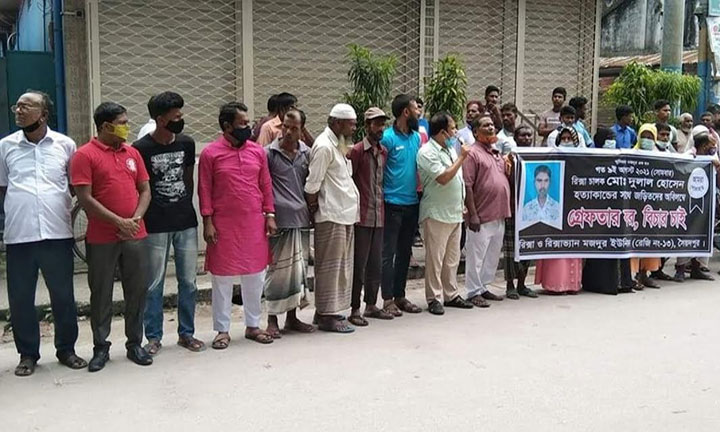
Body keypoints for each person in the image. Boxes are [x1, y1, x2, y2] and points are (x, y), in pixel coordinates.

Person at [1, 91, 86, 376]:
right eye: (17, 106)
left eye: (27, 106)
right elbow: (3, 188)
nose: (19, 110)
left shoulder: (65, 145)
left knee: (63, 296)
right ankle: (28, 354)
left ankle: (66, 349)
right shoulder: (5, 146)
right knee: (21, 299)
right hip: (20, 235)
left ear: (44, 114)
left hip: (56, 233)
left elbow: (74, 185)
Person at [71, 102, 152, 372]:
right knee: (101, 292)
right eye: (123, 123)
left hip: (135, 234)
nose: (127, 127)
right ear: (106, 126)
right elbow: (85, 198)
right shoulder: (85, 155)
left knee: (137, 290)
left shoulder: (132, 153)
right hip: (102, 237)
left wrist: (135, 219)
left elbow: (145, 190)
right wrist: (119, 222)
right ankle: (100, 347)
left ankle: (134, 343)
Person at [198, 102, 277, 349]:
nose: (248, 127)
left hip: (253, 222)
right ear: (227, 126)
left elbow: (265, 184)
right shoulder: (210, 154)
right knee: (222, 278)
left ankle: (253, 325)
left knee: (255, 276)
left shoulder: (257, 152)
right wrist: (207, 222)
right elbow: (204, 190)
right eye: (242, 123)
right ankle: (222, 330)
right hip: (223, 224)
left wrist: (270, 215)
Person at [133, 91, 204, 355]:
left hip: (185, 221)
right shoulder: (140, 149)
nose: (180, 119)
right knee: (154, 283)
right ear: (160, 119)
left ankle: (187, 333)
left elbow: (188, 179)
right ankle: (153, 336)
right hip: (155, 224)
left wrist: (184, 206)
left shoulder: (187, 143)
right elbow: (140, 187)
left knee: (189, 282)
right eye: (176, 116)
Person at [304, 103, 360, 333]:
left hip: (344, 214)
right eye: (351, 124)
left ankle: (328, 311)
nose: (354, 128)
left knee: (341, 268)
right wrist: (314, 208)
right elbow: (312, 185)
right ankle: (327, 315)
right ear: (336, 123)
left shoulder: (339, 144)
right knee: (330, 268)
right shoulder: (324, 146)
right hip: (331, 215)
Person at [416, 112, 475, 315]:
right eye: (452, 128)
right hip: (436, 213)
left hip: (454, 212)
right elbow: (443, 178)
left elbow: (457, 179)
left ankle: (451, 294)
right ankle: (434, 297)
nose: (455, 132)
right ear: (442, 132)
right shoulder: (427, 152)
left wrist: (461, 202)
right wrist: (462, 157)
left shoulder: (449, 149)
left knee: (452, 259)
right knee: (436, 259)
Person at [264, 109, 315, 337]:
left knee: (298, 272)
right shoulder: (268, 153)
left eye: (294, 128)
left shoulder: (307, 154)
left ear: (301, 130)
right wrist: (268, 215)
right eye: (285, 126)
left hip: (301, 219)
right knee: (277, 272)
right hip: (279, 220)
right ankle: (272, 319)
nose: (287, 132)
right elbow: (264, 187)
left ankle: (292, 318)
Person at [347, 107, 394, 325]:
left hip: (379, 214)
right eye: (376, 124)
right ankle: (354, 308)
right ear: (367, 126)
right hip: (362, 215)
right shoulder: (357, 151)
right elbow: (350, 180)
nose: (380, 128)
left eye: (382, 124)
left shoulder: (383, 151)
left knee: (376, 263)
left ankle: (371, 304)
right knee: (359, 264)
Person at [380, 94, 424, 316]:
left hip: (412, 202)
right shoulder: (387, 138)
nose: (419, 113)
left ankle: (400, 295)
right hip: (391, 203)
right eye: (416, 109)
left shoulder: (417, 138)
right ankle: (387, 299)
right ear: (406, 112)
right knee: (388, 253)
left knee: (405, 252)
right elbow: (378, 171)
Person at [463, 116, 511, 307]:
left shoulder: (496, 152)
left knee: (492, 255)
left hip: (499, 213)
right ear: (475, 132)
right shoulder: (472, 153)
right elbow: (467, 185)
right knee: (476, 256)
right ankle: (473, 291)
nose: (491, 127)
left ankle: (483, 286)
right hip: (481, 215)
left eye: (492, 125)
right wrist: (473, 214)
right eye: (486, 125)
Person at [581, 128, 635, 295]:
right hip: (598, 210)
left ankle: (622, 282)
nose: (611, 141)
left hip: (617, 209)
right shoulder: (591, 159)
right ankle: (600, 283)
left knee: (618, 244)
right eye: (608, 138)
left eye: (613, 138)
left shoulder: (620, 158)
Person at [533, 127, 584, 294]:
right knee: (556, 245)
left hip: (574, 208)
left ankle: (572, 284)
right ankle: (554, 284)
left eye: (570, 139)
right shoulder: (551, 159)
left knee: (572, 246)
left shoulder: (582, 160)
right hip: (554, 208)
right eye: (564, 138)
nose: (566, 141)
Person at [673, 132, 718, 282]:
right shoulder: (688, 155)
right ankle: (680, 269)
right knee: (685, 232)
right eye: (712, 144)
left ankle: (696, 268)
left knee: (702, 232)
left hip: (705, 201)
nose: (714, 147)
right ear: (704, 146)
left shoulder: (711, 158)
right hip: (687, 201)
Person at [502, 125, 538, 299]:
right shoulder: (511, 157)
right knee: (511, 250)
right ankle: (510, 285)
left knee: (527, 247)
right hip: (513, 208)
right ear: (515, 138)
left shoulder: (537, 157)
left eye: (529, 135)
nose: (526, 138)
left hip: (531, 209)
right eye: (522, 135)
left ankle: (522, 285)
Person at [630, 123, 663, 289]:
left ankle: (646, 273)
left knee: (649, 239)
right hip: (634, 204)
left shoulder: (660, 156)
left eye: (650, 137)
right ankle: (633, 275)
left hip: (652, 205)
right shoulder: (631, 154)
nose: (647, 140)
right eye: (644, 136)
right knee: (634, 239)